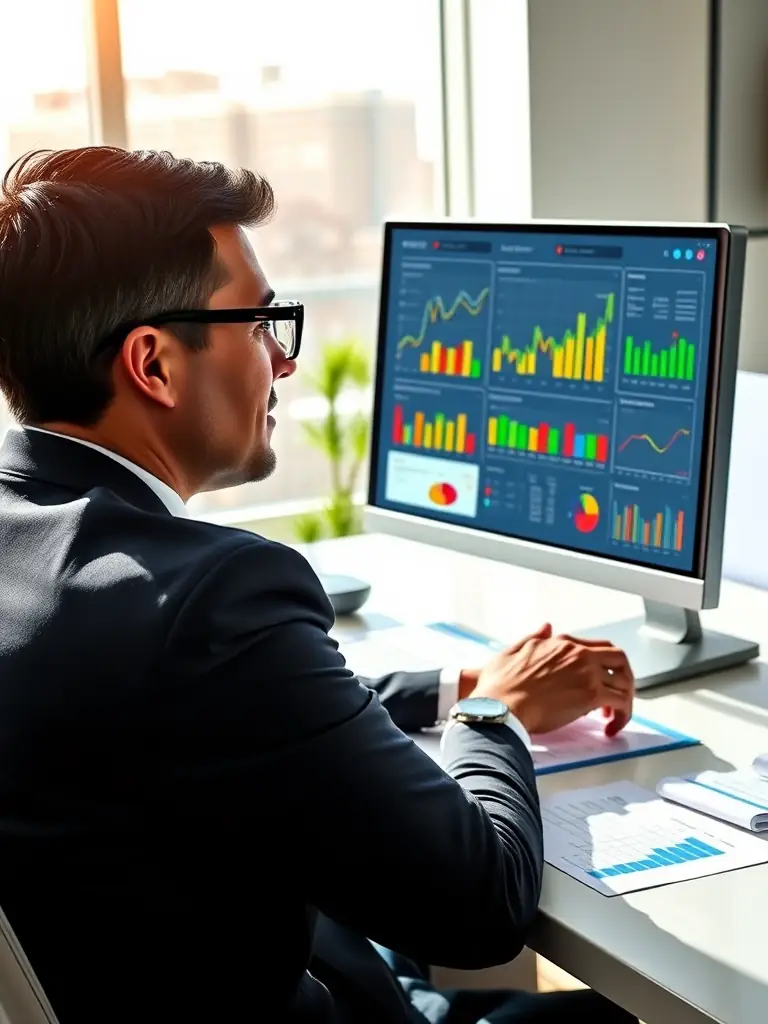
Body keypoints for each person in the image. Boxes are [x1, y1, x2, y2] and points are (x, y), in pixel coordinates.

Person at [0, 147, 637, 1024]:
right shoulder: (214, 599)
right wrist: (495, 716)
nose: (283, 361)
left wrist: (453, 685)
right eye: (261, 324)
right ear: (154, 364)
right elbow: (481, 904)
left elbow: (207, 705)